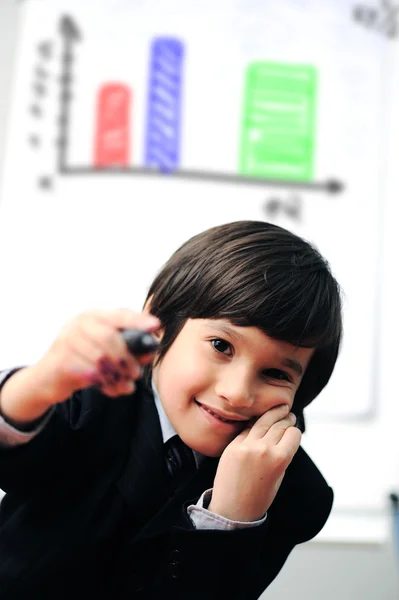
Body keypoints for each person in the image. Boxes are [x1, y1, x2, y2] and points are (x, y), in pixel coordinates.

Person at [0, 220, 342, 599]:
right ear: (159, 321)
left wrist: (230, 519)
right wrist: (37, 385)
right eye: (221, 346)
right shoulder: (88, 398)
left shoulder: (297, 493)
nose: (237, 393)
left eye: (276, 373)